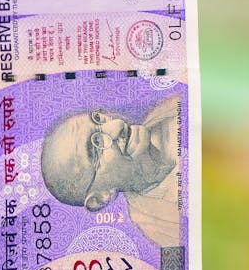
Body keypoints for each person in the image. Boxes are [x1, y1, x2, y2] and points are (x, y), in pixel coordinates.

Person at [40, 96, 180, 246]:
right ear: (100, 197)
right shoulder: (161, 227)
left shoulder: (166, 110)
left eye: (98, 119)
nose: (117, 125)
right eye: (96, 147)